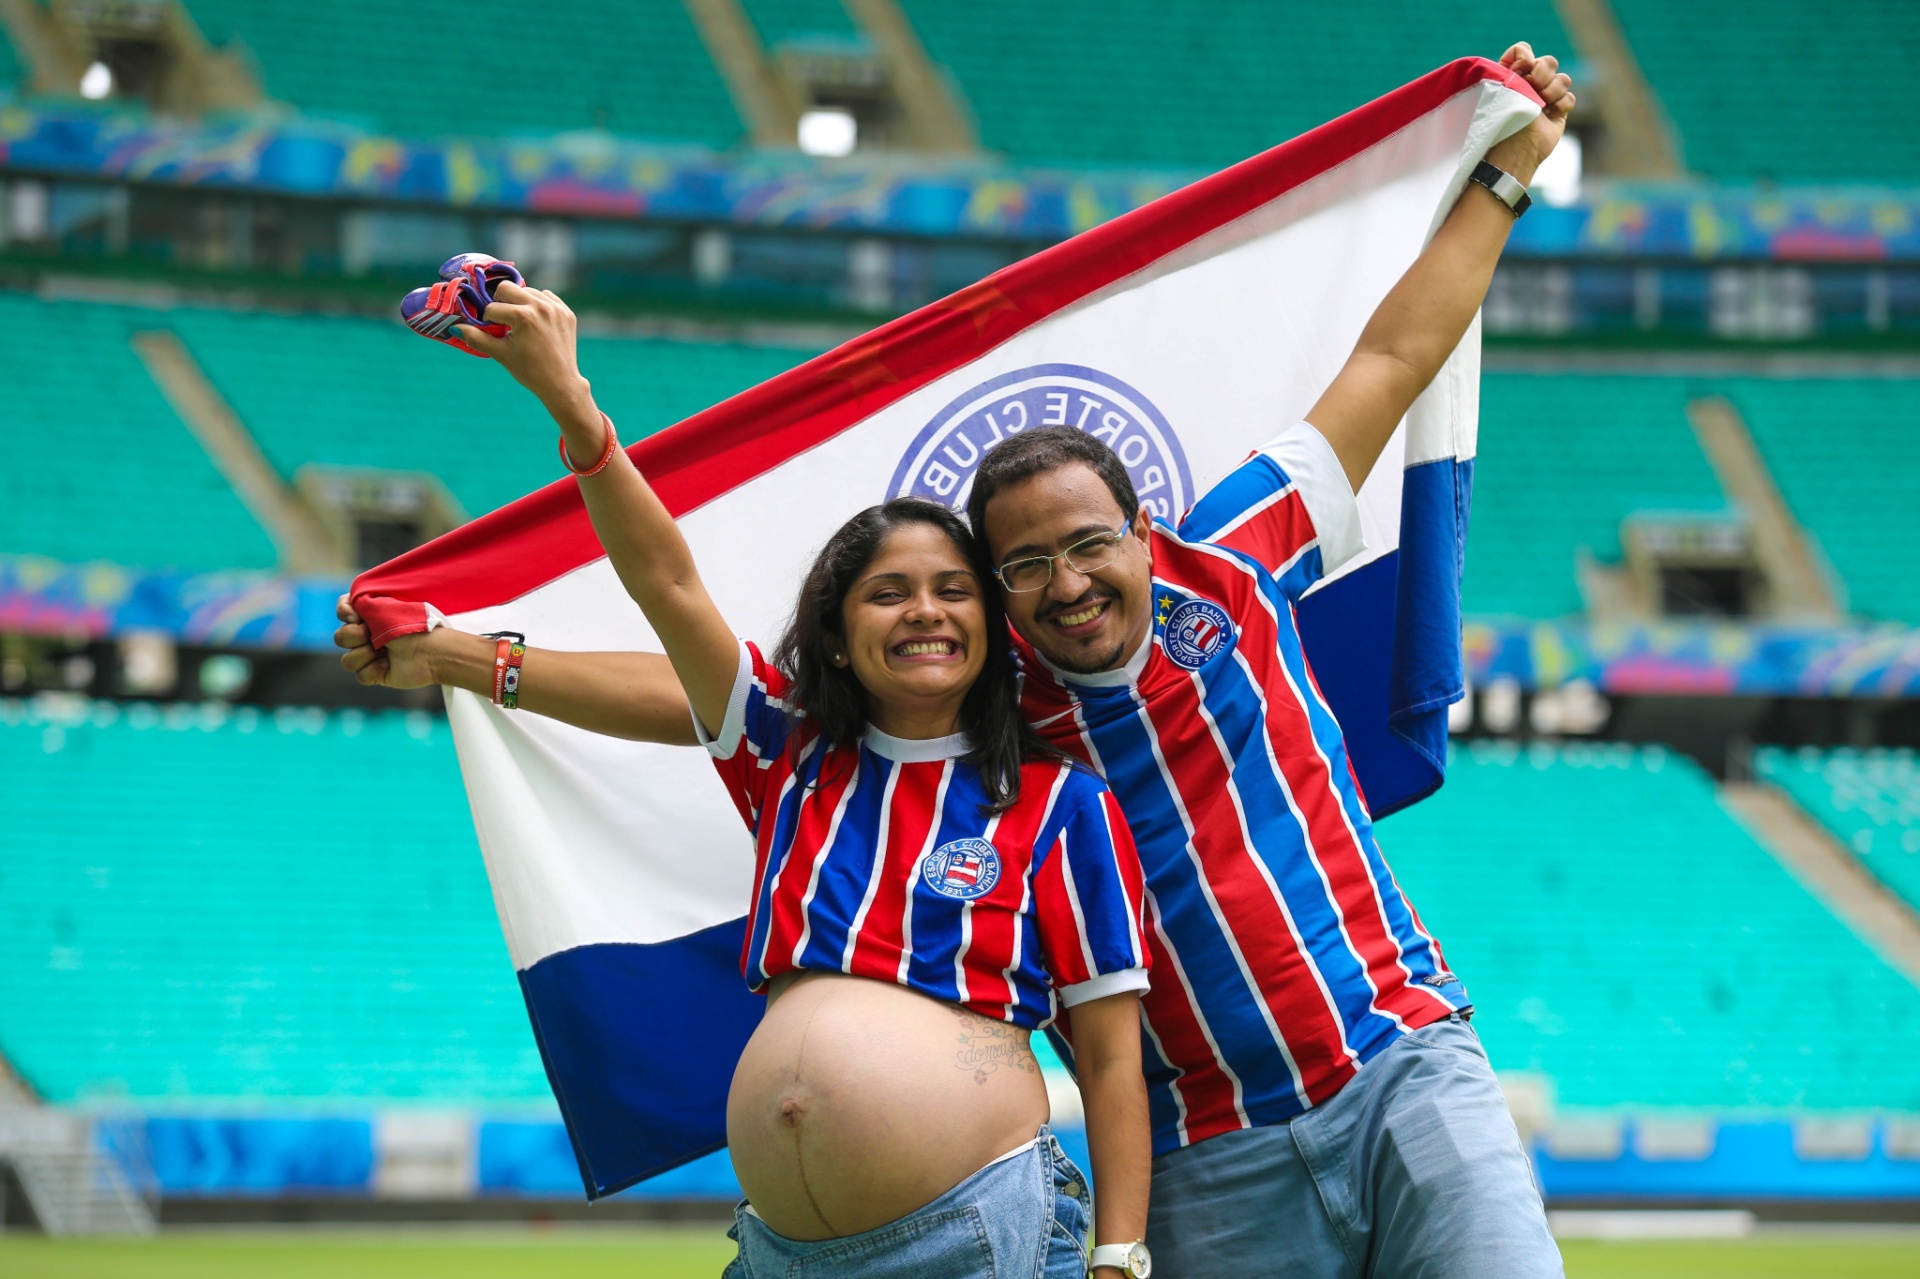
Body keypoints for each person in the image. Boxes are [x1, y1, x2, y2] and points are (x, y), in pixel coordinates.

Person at [341, 41, 1574, 1277]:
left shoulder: (1245, 552)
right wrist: (468, 656)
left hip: (1396, 1054)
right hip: (1206, 1145)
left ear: (1145, 529)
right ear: (997, 596)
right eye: (1025, 566)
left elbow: (1392, 357)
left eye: (1092, 544)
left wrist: (1502, 182)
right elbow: (706, 681)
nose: (1069, 580)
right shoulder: (992, 704)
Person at [391, 281, 1157, 1278]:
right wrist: (573, 411)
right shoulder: (786, 755)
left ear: (994, 626)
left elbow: (1107, 1055)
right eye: (888, 593)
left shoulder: (1065, 806)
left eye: (951, 589)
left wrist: (1122, 1254)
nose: (923, 611)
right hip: (777, 1249)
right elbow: (665, 583)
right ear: (836, 640)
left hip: (980, 1233)